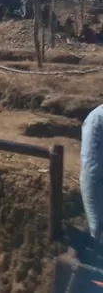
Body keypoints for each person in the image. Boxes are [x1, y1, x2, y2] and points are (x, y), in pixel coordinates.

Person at [82, 104, 103, 247]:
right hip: (94, 176)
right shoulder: (98, 117)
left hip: (93, 173)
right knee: (95, 225)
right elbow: (91, 166)